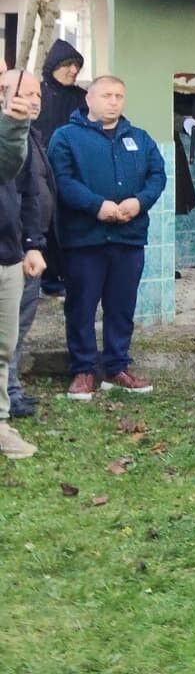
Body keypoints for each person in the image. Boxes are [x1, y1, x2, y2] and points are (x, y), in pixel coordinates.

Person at [48, 74, 167, 404]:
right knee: (81, 306)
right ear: (89, 99)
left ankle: (116, 368)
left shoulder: (139, 139)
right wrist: (95, 206)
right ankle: (83, 370)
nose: (113, 101)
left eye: (119, 96)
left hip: (128, 238)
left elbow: (157, 175)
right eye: (106, 95)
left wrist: (139, 202)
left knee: (121, 306)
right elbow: (62, 180)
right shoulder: (66, 137)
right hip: (84, 239)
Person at [0, 70, 44, 458]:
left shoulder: (22, 133)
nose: (29, 99)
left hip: (9, 255)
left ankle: (0, 425)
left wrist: (32, 244)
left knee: (4, 347)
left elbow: (22, 184)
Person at [6, 71, 51, 419]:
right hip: (13, 251)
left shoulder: (31, 135)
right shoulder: (10, 137)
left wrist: (36, 243)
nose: (35, 100)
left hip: (27, 249)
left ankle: (12, 390)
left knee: (16, 331)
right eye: (27, 93)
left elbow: (35, 194)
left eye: (38, 93)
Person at [34, 39, 85, 297]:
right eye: (68, 65)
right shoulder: (38, 94)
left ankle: (68, 274)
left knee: (70, 223)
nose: (73, 71)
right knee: (44, 221)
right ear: (53, 65)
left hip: (71, 171)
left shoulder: (81, 99)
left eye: (77, 66)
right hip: (40, 170)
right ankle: (48, 278)